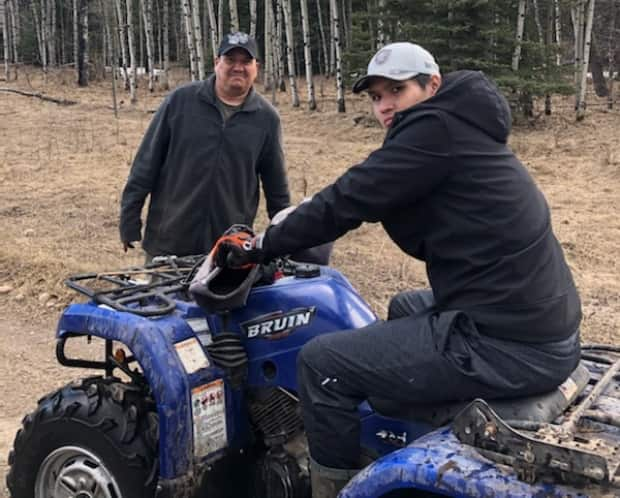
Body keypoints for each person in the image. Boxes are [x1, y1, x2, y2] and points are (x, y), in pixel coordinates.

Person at [213, 42, 582, 497]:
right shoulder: (460, 128)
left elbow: (350, 198)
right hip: (534, 322)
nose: (385, 106)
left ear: (433, 86)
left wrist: (261, 246)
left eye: (397, 91)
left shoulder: (435, 132)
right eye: (376, 96)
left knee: (322, 364)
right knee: (406, 304)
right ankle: (396, 432)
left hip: (507, 343)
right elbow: (364, 191)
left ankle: (333, 489)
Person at [119, 32, 290, 260]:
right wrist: (129, 221)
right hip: (168, 241)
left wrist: (286, 238)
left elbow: (276, 188)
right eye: (230, 60)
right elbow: (145, 164)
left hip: (228, 249)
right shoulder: (180, 102)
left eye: (245, 61)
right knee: (161, 297)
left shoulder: (267, 119)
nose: (238, 67)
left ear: (256, 67)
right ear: (217, 62)